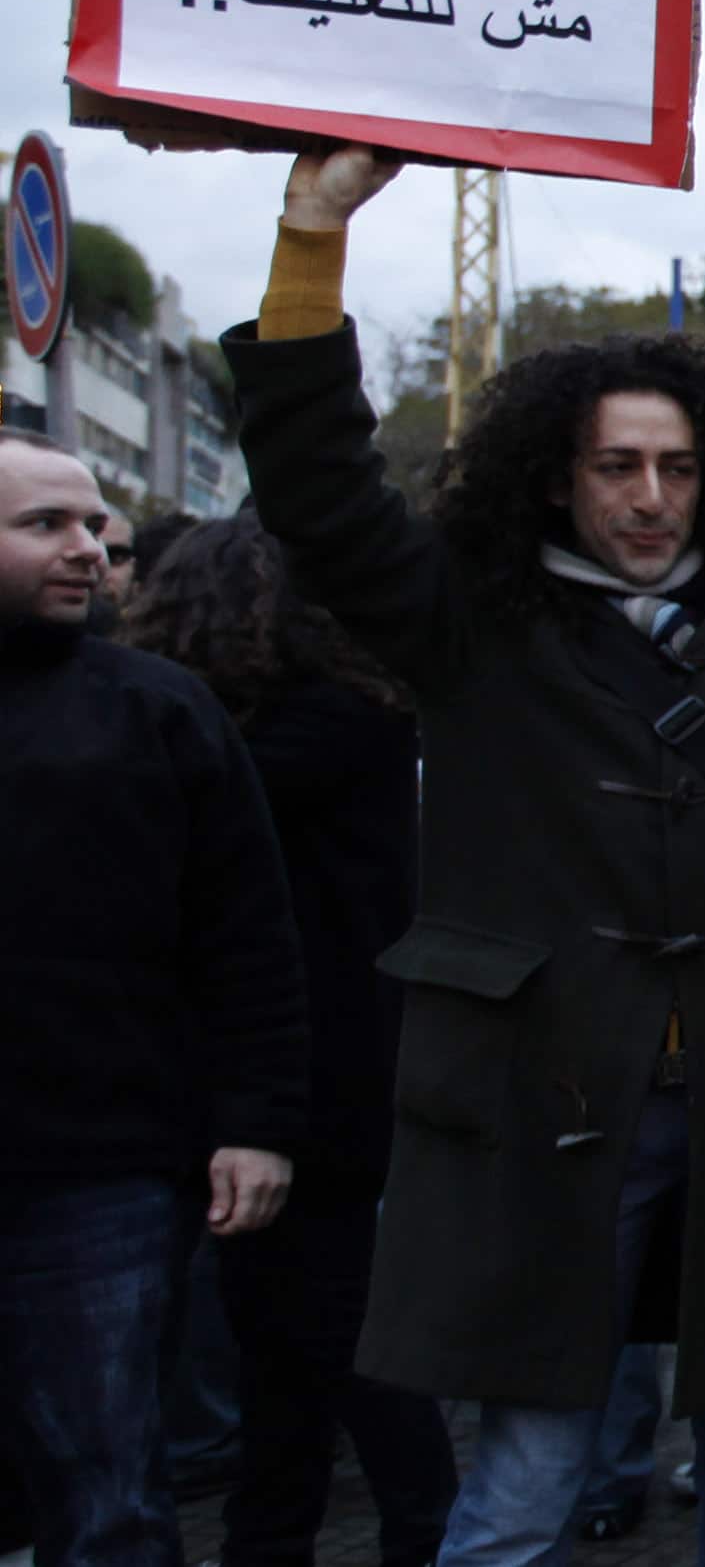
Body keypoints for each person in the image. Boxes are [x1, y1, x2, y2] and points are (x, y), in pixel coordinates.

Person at [220, 147, 705, 1567]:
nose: (650, 495)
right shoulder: (467, 623)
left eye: (676, 466)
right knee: (526, 1478)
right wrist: (311, 233)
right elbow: (314, 483)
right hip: (539, 1106)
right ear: (558, 481)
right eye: (617, 466)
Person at [117, 516, 456, 1567]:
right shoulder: (361, 716)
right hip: (347, 1070)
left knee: (322, 1350)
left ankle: (391, 1530)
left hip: (294, 1078)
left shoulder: (256, 741)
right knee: (303, 1355)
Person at [0, 430, 305, 1567]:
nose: (87, 549)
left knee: (108, 1486)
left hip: (99, 1175)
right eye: (48, 524)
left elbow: (247, 935)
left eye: (94, 526)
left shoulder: (158, 709)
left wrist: (256, 1122)